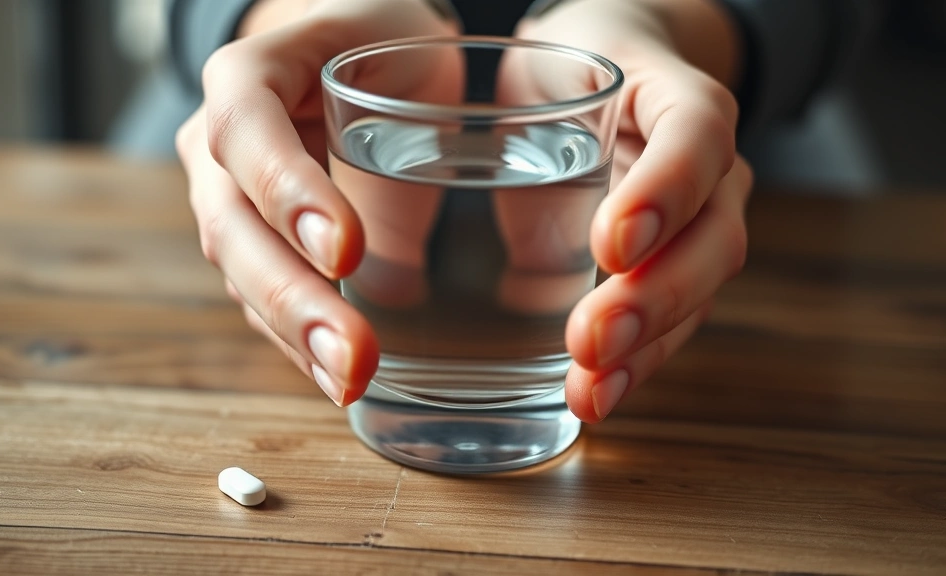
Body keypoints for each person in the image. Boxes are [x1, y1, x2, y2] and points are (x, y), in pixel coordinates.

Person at [165, 0, 874, 423]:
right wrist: (284, 18)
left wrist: (682, 22)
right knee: (206, 142)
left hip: (694, 77)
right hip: (314, 84)